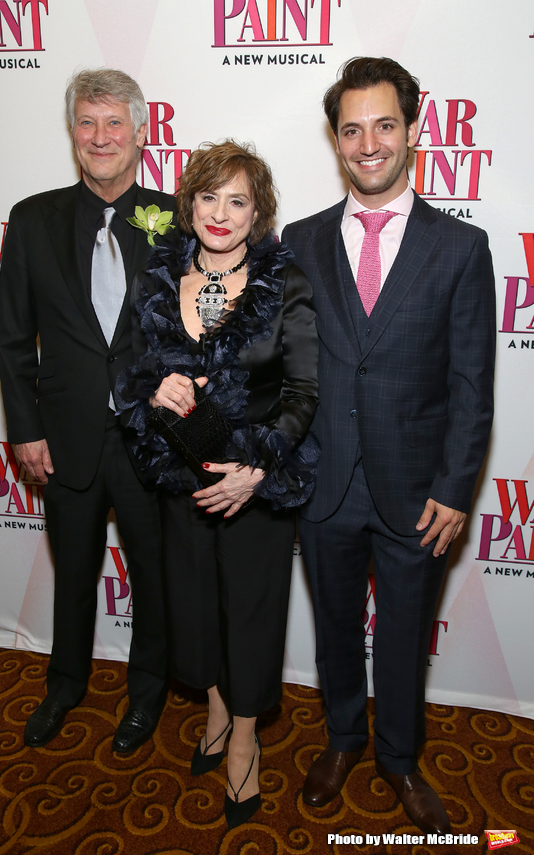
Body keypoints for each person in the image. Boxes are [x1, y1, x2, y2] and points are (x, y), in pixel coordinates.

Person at [282, 57, 495, 834]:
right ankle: (342, 739)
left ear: (412, 129)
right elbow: (284, 366)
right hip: (323, 481)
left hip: (418, 491)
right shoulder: (299, 241)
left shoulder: (461, 248)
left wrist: (457, 486)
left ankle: (399, 757)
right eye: (351, 129)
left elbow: (474, 384)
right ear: (335, 140)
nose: (368, 144)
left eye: (384, 125)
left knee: (404, 636)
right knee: (336, 627)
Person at [116, 140, 319, 827]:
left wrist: (258, 467)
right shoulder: (156, 274)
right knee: (196, 606)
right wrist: (153, 387)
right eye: (208, 197)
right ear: (189, 203)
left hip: (254, 483)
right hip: (181, 474)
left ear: (257, 210)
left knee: (252, 614)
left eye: (238, 200)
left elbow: (302, 391)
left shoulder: (286, 281)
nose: (221, 213)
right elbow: (129, 371)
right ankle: (213, 706)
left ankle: (244, 737)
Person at [0, 69, 177, 752]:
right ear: (73, 133)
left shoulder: (178, 218)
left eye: (114, 124)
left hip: (149, 438)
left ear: (139, 133)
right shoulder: (32, 218)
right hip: (64, 437)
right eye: (87, 123)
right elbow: (14, 337)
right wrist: (25, 428)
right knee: (72, 571)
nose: (100, 138)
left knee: (153, 577)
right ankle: (64, 683)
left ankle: (147, 692)